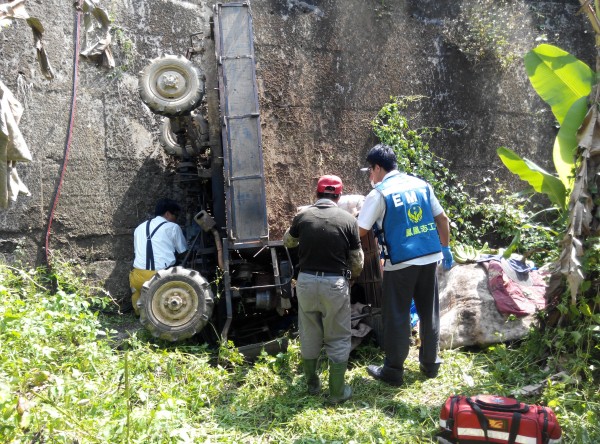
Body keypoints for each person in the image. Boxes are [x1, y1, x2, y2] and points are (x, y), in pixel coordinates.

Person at [357, 144, 453, 386]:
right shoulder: (422, 185)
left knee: (397, 315)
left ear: (378, 167)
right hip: (430, 257)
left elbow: (360, 229)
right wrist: (446, 247)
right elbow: (442, 219)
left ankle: (393, 370)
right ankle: (430, 364)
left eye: (370, 170)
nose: (370, 175)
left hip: (399, 263)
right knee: (428, 312)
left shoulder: (379, 193)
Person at [284, 175, 364, 403]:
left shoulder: (303, 216)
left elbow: (289, 242)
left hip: (306, 282)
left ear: (316, 194)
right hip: (335, 284)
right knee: (338, 337)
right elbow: (357, 260)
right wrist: (351, 278)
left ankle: (312, 385)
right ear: (338, 196)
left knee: (309, 333)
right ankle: (337, 392)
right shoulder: (348, 220)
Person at [129, 198, 188, 315]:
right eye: (175, 215)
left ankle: (138, 314)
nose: (176, 219)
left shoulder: (139, 228)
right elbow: (183, 251)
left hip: (137, 277)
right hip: (159, 278)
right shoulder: (173, 227)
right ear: (167, 213)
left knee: (138, 297)